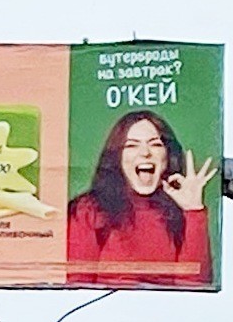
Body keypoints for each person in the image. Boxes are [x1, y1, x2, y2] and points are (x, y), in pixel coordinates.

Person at [67, 110, 215, 283]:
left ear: (167, 156)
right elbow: (77, 286)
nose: (145, 153)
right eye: (131, 145)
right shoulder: (88, 210)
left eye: (155, 144)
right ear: (117, 157)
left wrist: (194, 211)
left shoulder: (182, 212)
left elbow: (194, 287)